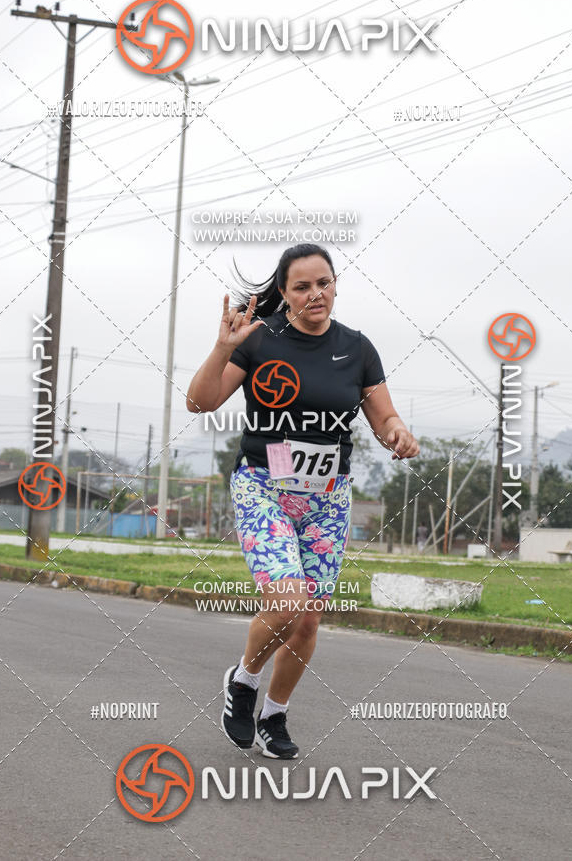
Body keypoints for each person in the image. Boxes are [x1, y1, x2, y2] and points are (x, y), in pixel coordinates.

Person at [186, 243, 419, 759]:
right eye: (302, 286)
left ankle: (274, 716)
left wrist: (398, 432)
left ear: (335, 285)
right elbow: (200, 401)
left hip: (327, 498)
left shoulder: (357, 348)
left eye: (324, 283)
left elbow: (383, 416)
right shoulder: (259, 339)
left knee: (309, 618)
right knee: (287, 603)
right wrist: (223, 348)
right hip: (263, 486)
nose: (316, 294)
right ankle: (243, 681)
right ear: (285, 293)